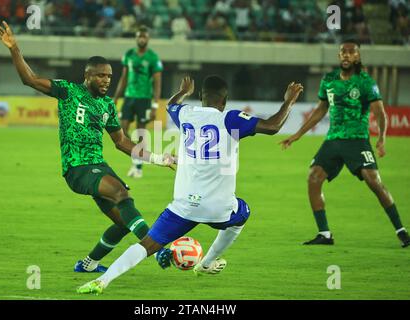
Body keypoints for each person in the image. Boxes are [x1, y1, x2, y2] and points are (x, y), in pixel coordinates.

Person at [76, 75, 304, 295]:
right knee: (242, 213)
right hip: (218, 208)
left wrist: (183, 92)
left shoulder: (185, 114)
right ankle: (207, 262)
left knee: (146, 245)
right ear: (223, 101)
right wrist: (289, 101)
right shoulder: (231, 119)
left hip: (183, 206)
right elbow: (273, 126)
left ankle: (102, 280)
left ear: (202, 98)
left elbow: (171, 105)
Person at [0, 21, 175, 273]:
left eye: (109, 76)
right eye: (101, 75)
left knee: (123, 222)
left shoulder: (108, 105)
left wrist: (157, 158)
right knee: (123, 195)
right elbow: (30, 79)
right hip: (77, 168)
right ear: (87, 75)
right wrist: (14, 48)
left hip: (98, 166)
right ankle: (159, 251)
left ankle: (89, 264)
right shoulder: (68, 92)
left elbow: (121, 142)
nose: (106, 80)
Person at [280, 39, 410, 248]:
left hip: (357, 139)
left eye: (351, 52)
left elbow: (380, 113)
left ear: (358, 56)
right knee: (314, 178)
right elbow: (320, 111)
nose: (346, 55)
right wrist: (297, 135)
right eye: (343, 52)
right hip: (333, 140)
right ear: (339, 56)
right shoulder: (329, 80)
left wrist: (382, 138)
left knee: (373, 181)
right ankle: (324, 234)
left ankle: (402, 231)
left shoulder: (366, 82)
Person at [113, 25, 163, 179]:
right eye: (139, 36)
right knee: (122, 129)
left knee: (141, 132)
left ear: (148, 39)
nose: (142, 39)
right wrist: (116, 98)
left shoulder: (153, 58)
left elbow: (157, 83)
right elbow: (123, 78)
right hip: (129, 97)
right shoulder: (128, 55)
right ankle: (136, 154)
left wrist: (155, 105)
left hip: (144, 99)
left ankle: (139, 167)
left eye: (144, 36)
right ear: (136, 38)